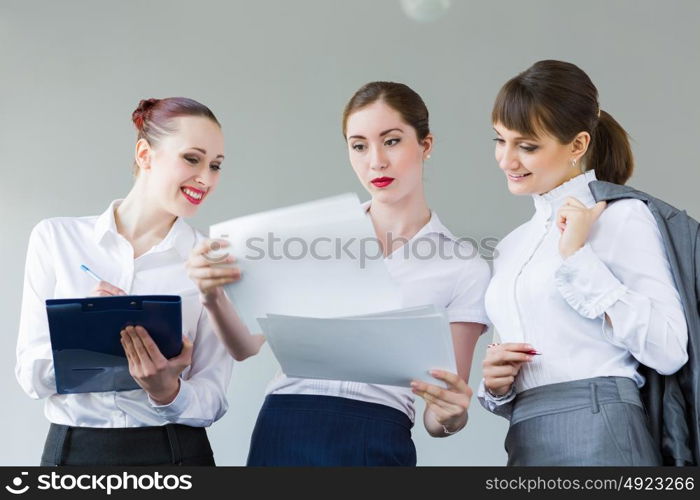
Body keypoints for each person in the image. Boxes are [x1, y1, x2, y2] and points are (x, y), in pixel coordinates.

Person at [187, 81, 491, 466]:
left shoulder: (463, 267)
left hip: (376, 432)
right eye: (359, 145)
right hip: (286, 421)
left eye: (392, 141)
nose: (375, 161)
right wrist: (211, 295)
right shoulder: (311, 237)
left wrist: (453, 414)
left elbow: (439, 410)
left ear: (425, 145)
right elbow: (245, 347)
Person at [479, 60, 689, 465]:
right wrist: (497, 385)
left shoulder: (621, 217)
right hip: (524, 435)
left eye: (526, 146)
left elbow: (669, 349)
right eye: (500, 140)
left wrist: (578, 256)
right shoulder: (510, 247)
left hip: (599, 430)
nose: (507, 160)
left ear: (577, 145)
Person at [16, 97, 233, 466]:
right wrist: (87, 336)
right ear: (145, 154)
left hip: (176, 454)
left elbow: (212, 398)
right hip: (74, 455)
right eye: (192, 159)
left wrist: (167, 391)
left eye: (215, 165)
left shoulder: (213, 261)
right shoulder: (56, 239)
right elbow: (31, 376)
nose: (206, 179)